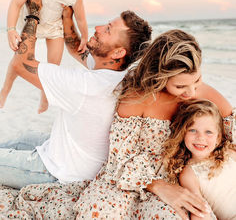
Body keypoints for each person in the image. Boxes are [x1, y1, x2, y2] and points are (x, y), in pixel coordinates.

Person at [74, 29, 235, 219]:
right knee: (101, 212)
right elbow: (121, 158)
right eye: (180, 86)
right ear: (159, 76)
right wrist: (158, 185)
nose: (191, 92)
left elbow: (228, 135)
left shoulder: (204, 94)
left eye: (197, 80)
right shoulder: (136, 98)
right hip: (131, 179)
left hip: (178, 181)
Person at [0, 0, 152, 189]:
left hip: (58, 172)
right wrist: (67, 17)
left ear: (117, 53)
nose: (97, 28)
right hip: (74, 159)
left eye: (107, 30)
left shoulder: (86, 86)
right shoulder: (116, 74)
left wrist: (34, 15)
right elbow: (76, 48)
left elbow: (22, 64)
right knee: (24, 138)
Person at [0, 0, 88, 114]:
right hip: (33, 23)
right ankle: (5, 90)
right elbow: (15, 4)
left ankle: (45, 98)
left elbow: (80, 18)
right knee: (17, 60)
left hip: (55, 28)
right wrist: (10, 29)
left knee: (52, 68)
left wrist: (85, 37)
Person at [163, 99, 236, 220]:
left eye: (208, 132)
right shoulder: (189, 174)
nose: (200, 138)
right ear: (183, 134)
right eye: (192, 130)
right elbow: (199, 209)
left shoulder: (230, 153)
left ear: (218, 138)